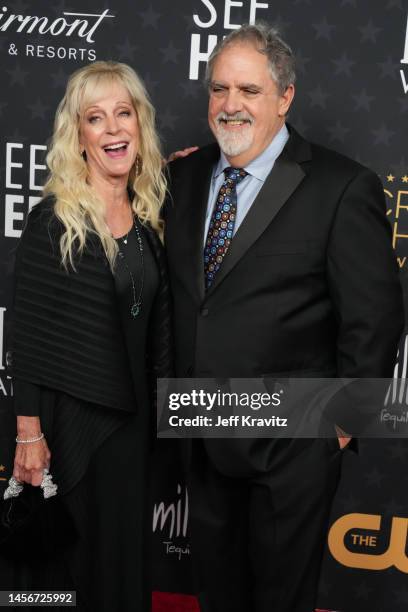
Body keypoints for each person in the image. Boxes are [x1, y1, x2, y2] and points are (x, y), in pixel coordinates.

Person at [164, 24, 404, 612]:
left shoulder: (341, 186)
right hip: (202, 429)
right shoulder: (183, 177)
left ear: (285, 97)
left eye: (249, 90)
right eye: (219, 90)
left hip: (292, 443)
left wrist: (340, 429)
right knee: (217, 595)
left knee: (279, 600)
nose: (230, 105)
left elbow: (374, 319)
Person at [7, 61, 171, 611]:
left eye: (124, 113)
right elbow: (25, 333)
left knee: (121, 560)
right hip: (67, 423)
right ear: (78, 136)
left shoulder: (150, 221)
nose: (113, 129)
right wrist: (28, 433)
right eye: (95, 118)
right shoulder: (52, 219)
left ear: (139, 124)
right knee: (68, 566)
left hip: (132, 427)